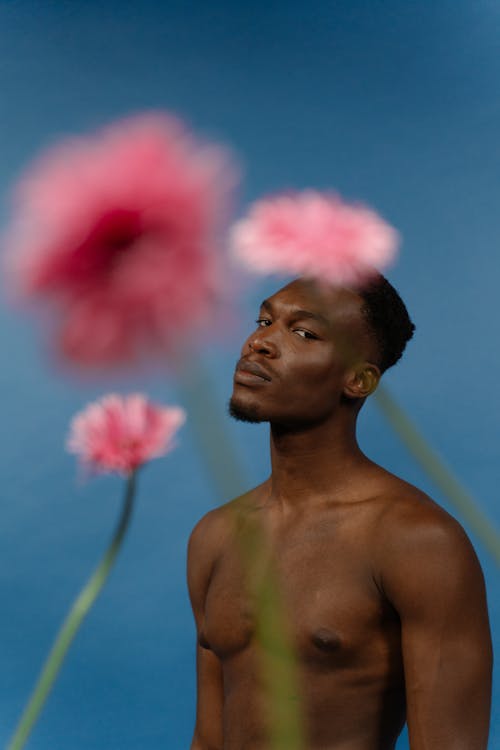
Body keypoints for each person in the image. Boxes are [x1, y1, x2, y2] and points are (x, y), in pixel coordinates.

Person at [187, 275, 492, 750]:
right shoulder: (216, 536)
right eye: (265, 320)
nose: (261, 342)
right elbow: (208, 740)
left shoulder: (418, 540)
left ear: (359, 379)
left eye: (304, 333)